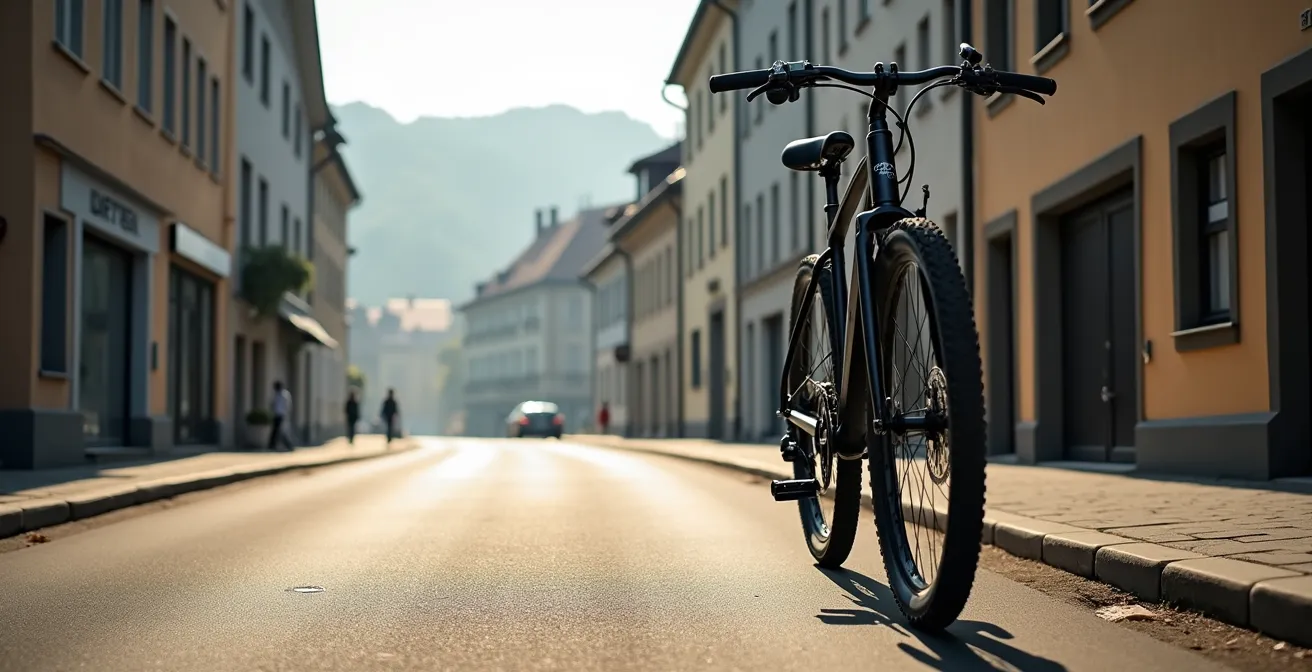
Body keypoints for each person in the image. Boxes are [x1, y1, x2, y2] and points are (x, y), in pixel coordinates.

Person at [268, 381, 294, 451]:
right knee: (276, 430)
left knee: (281, 431)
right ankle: (272, 445)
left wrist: (286, 413)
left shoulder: (285, 394)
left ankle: (289, 445)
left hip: (282, 415)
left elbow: (287, 405)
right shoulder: (276, 394)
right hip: (276, 414)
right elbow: (273, 404)